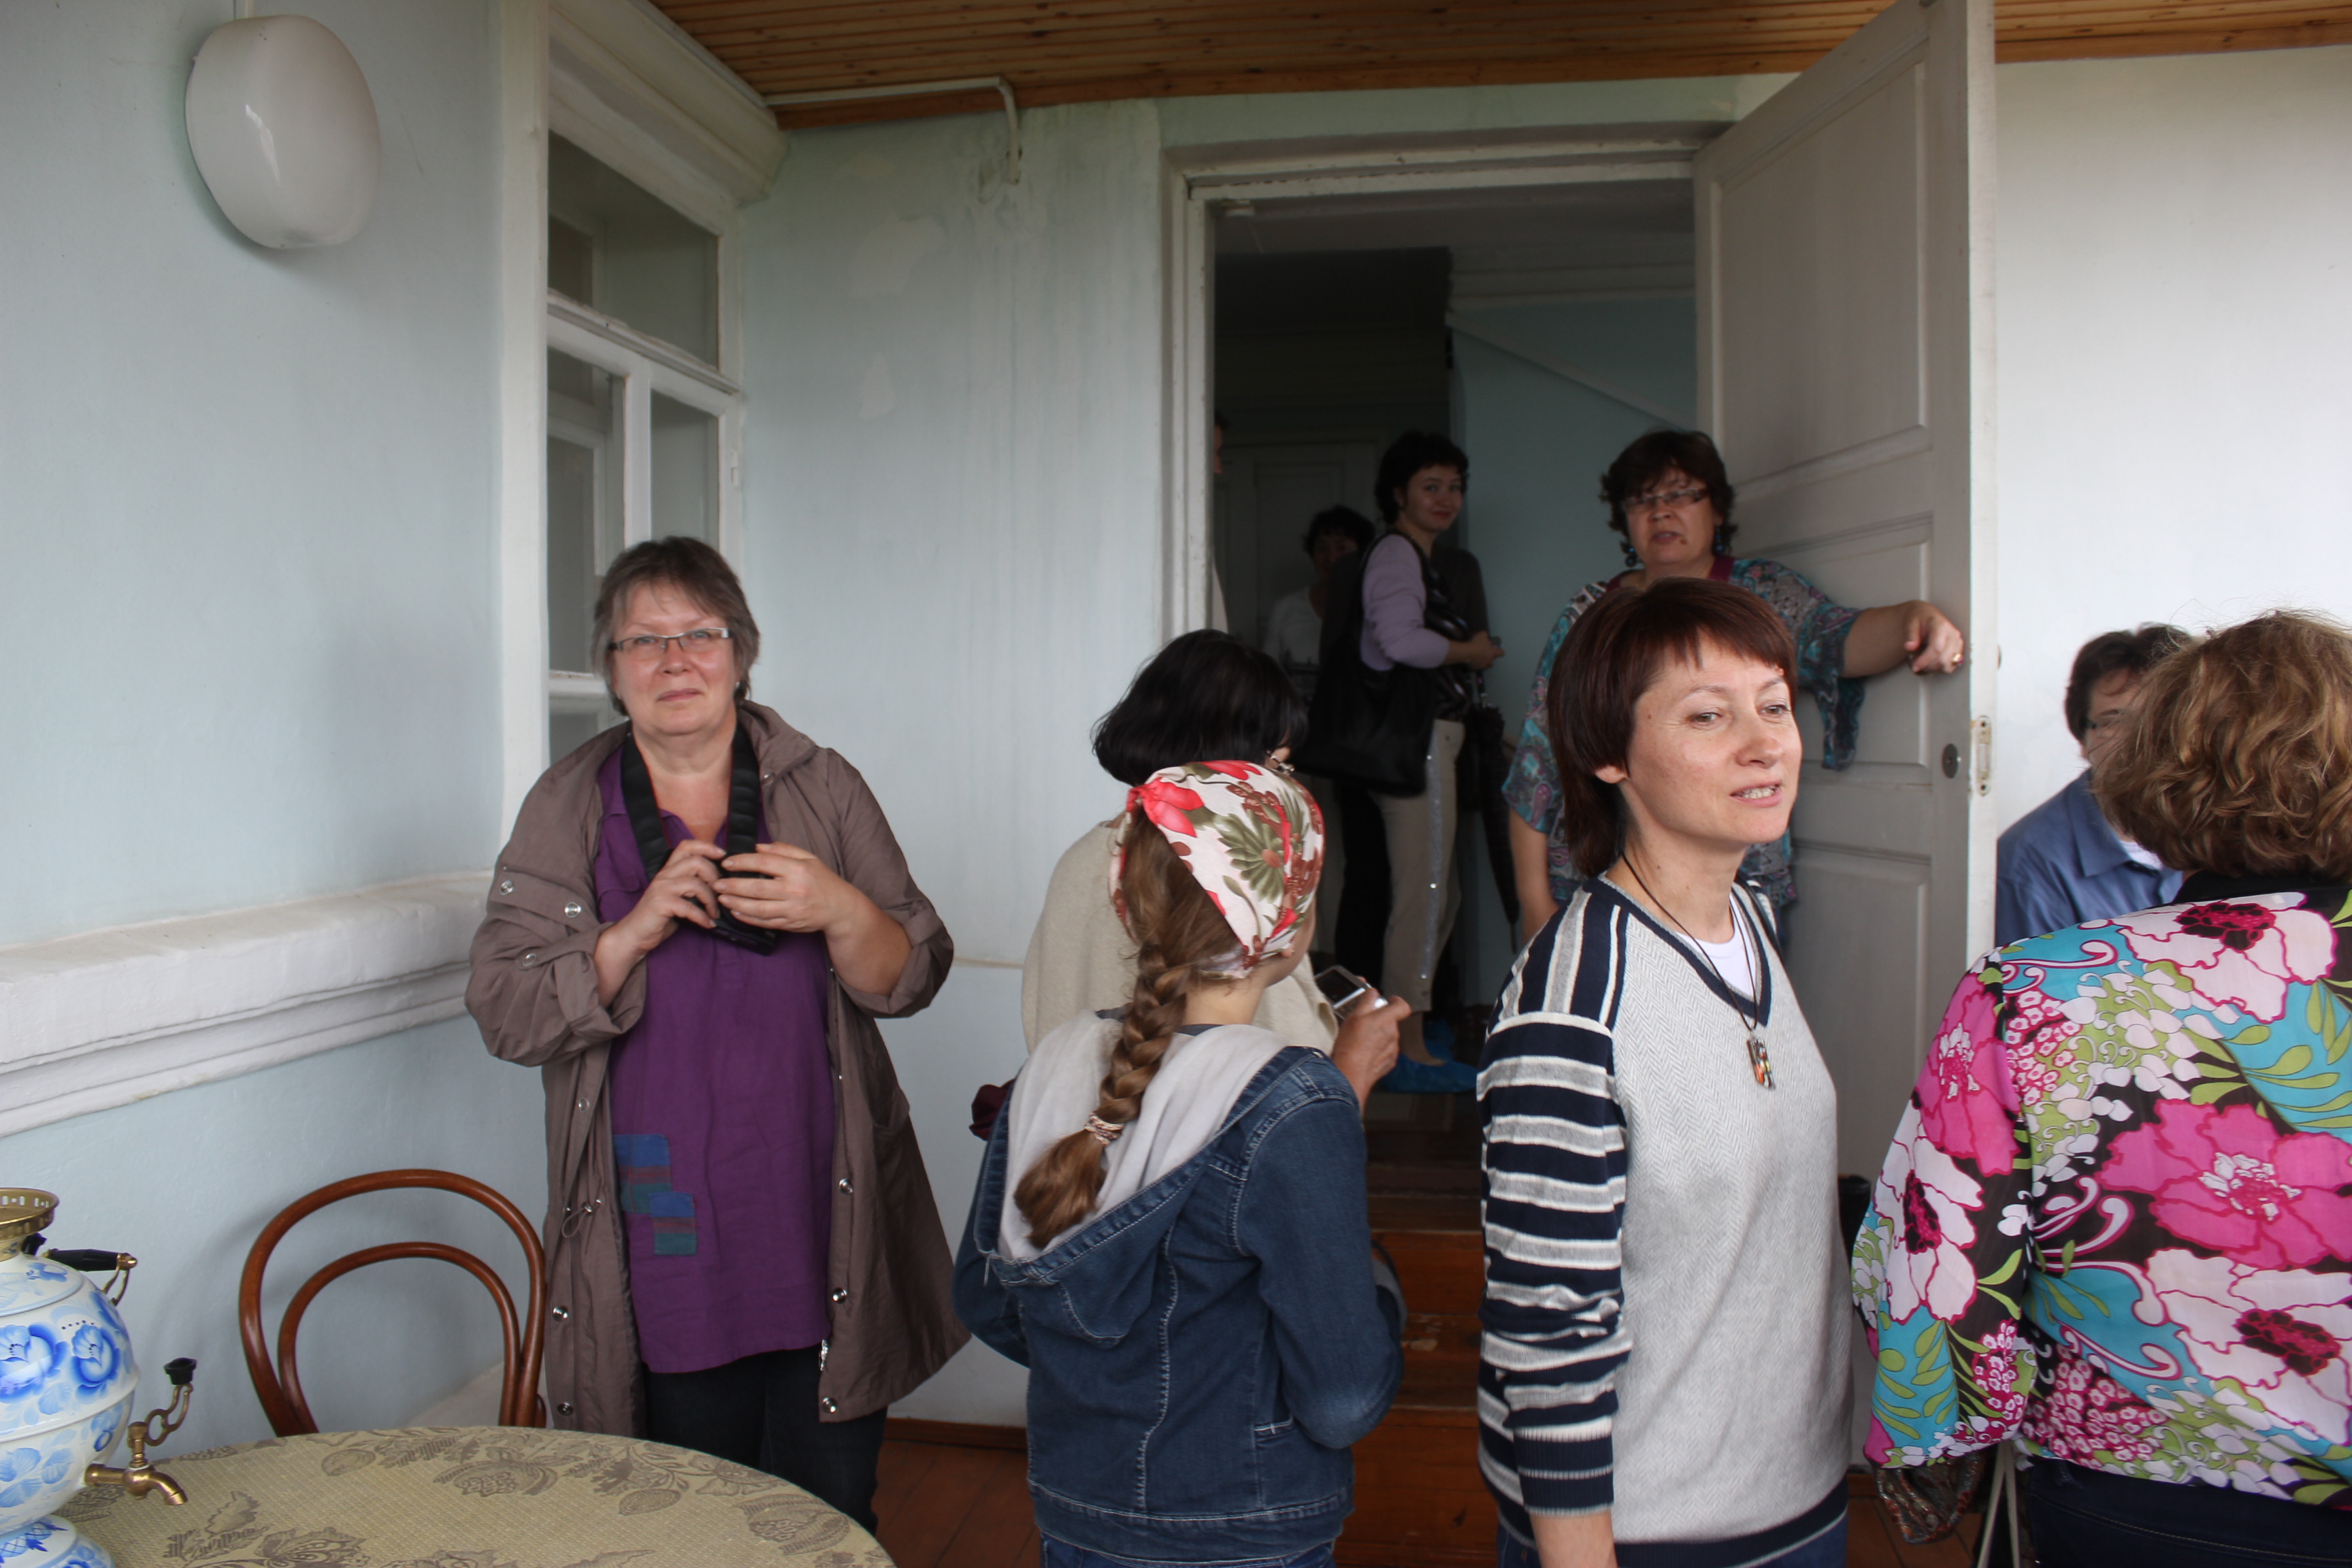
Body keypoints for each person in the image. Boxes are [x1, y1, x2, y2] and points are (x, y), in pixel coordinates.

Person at [466, 538, 960, 1529]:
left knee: (831, 1499)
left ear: (742, 652)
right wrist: (628, 934)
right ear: (611, 669)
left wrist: (838, 906)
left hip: (820, 1177)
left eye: (699, 634)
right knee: (689, 1500)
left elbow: (911, 974)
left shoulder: (821, 784)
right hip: (658, 1190)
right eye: (643, 641)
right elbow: (506, 1012)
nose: (674, 660)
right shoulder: (568, 803)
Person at [1853, 610, 2352, 1568]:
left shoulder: (2033, 993)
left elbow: (1933, 1277)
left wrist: (1938, 1463)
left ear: (2151, 771)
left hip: (2134, 1502)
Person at [1481, 577, 1852, 1568]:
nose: (1764, 743)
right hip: (1649, 1527)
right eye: (1707, 716)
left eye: (1775, 706)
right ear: (1609, 752)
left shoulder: (1749, 925)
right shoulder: (1573, 1004)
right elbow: (1546, 1328)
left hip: (1797, 1492)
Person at [959, 761, 1405, 1567]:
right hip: (1244, 1522)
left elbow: (987, 1300)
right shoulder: (1293, 1099)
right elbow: (1342, 1400)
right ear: (1290, 923)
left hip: (1076, 1505)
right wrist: (1383, 1295)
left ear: (1129, 908)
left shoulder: (1053, 1064)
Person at [1505, 429, 1965, 924]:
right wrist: (1533, 901)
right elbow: (1538, 760)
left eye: (1682, 494)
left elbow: (1837, 639)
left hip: (1738, 885)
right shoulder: (1590, 615)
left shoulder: (1760, 595)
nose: (1661, 512)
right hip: (1600, 873)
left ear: (1717, 510)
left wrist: (1913, 619)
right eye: (1643, 500)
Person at [1022, 630, 1406, 1086]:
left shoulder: (1083, 857)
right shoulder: (1235, 879)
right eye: (1278, 765)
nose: (1286, 784)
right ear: (1234, 770)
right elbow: (1272, 1111)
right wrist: (1356, 1066)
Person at [1317, 431, 1504, 1077]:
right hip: (1420, 738)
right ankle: (1407, 1039)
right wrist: (1472, 652)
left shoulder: (1417, 557)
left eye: (1455, 486)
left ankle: (1398, 1029)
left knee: (1435, 891)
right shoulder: (1398, 554)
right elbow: (1398, 642)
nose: (1446, 498)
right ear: (1399, 494)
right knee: (1424, 893)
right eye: (1431, 486)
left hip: (1428, 737)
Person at [1995, 623, 2191, 945]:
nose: (2141, 742)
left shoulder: (2226, 831)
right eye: (2116, 721)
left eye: (2161, 719)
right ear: (2083, 738)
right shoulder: (2029, 864)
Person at [1263, 504, 1376, 700]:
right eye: (1322, 548)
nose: (1331, 557)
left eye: (1342, 547)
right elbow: (1266, 677)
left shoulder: (1374, 609)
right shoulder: (1286, 608)